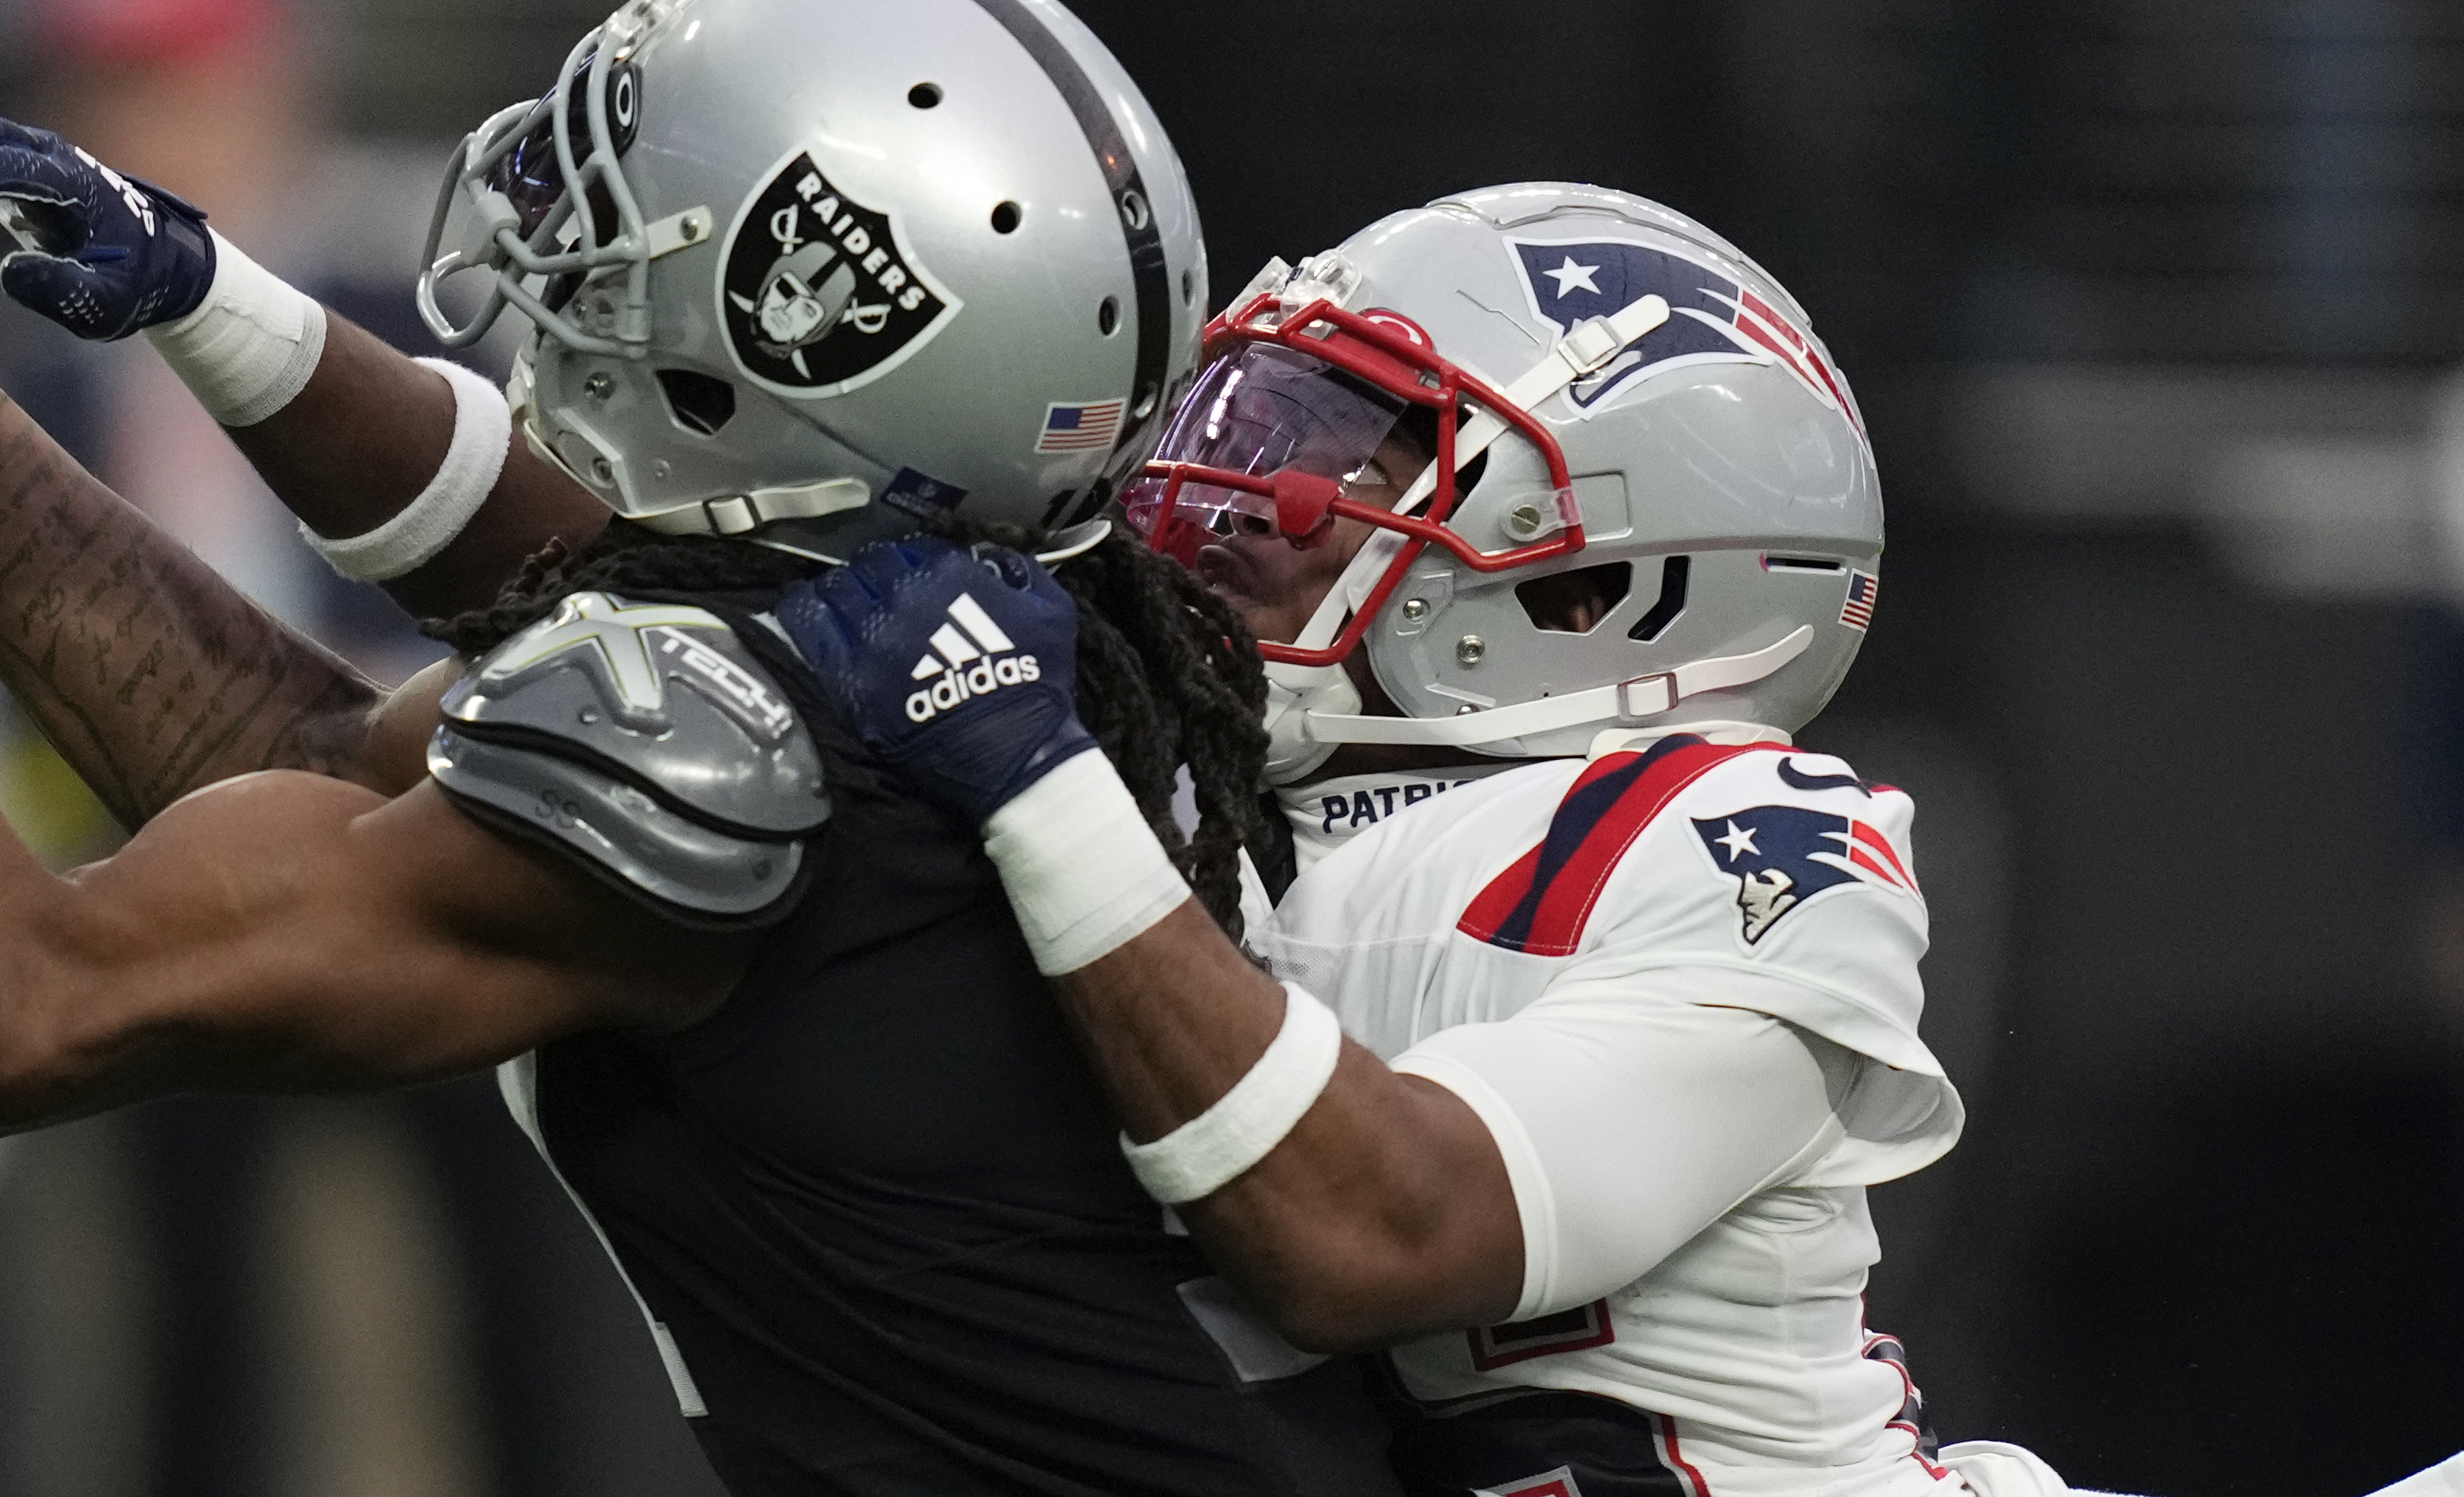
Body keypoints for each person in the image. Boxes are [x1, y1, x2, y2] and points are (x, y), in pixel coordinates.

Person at [0, 0, 1389, 1495]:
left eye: (641, 239)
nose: (575, 252)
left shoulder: (759, 733)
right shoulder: (992, 611)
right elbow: (286, 744)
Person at [768, 187, 2464, 1497]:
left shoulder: (1734, 845)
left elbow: (1374, 1234)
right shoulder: (1208, 786)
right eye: (1246, 424)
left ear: (1591, 588)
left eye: (1326, 460)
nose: (1219, 506)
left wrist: (1036, 783)